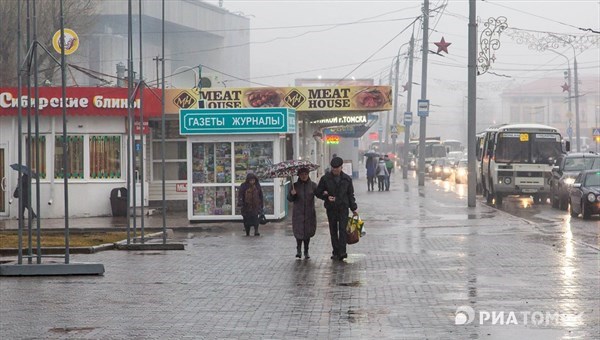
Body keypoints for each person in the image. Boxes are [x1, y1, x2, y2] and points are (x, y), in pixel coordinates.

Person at [316, 156, 358, 261]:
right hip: (331, 209)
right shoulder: (325, 179)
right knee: (333, 230)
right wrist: (326, 197)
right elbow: (317, 192)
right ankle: (335, 251)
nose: (335, 170)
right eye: (333, 168)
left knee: (342, 230)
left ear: (341, 167)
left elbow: (350, 195)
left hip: (343, 207)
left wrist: (354, 208)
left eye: (337, 168)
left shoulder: (347, 179)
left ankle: (342, 252)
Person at [287, 167, 317, 259]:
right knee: (299, 232)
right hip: (298, 213)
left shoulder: (313, 185)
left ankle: (306, 250)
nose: (304, 176)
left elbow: (319, 194)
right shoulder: (294, 186)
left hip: (309, 212)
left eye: (305, 174)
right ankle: (298, 250)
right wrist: (292, 194)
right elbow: (289, 199)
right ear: (298, 176)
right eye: (302, 174)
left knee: (307, 232)